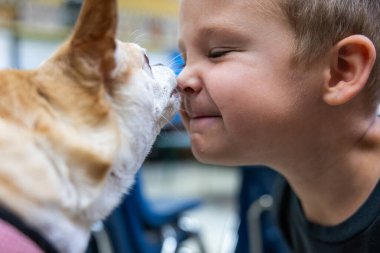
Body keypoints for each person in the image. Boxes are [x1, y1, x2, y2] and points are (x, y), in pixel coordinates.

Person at [176, 0, 380, 252]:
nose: (181, 78)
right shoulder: (287, 199)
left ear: (342, 70)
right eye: (185, 59)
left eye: (217, 52)